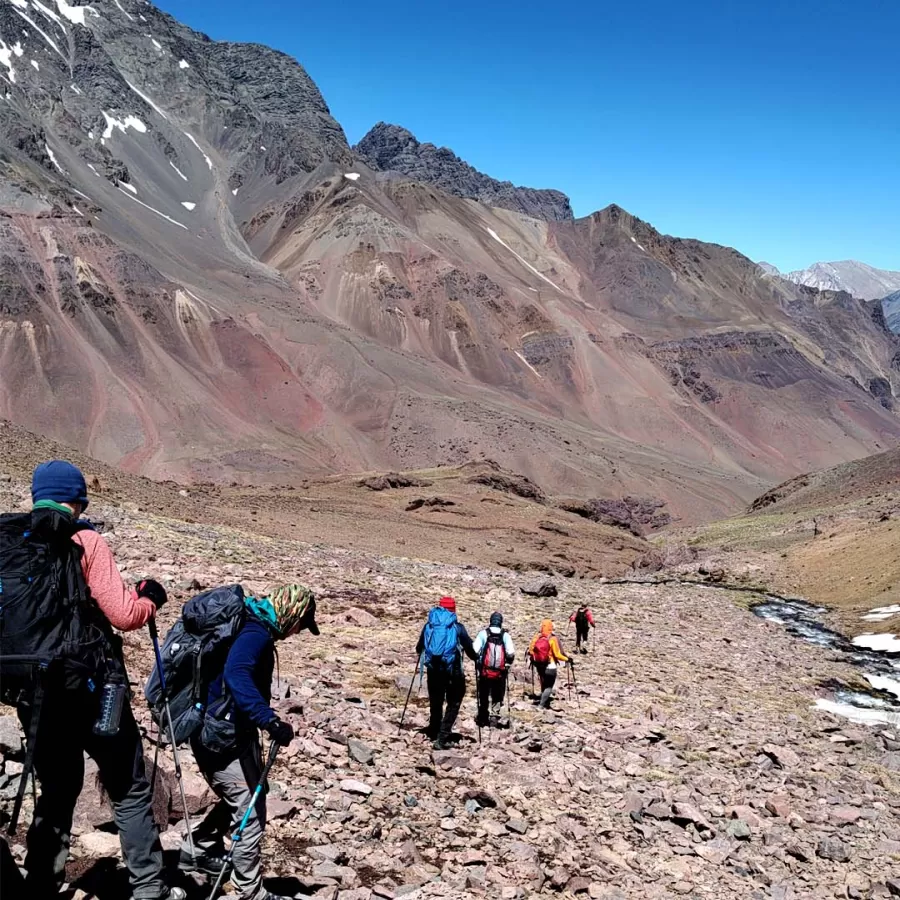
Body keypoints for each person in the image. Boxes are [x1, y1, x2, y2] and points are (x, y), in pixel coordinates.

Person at [6, 461, 183, 900]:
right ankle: (148, 888)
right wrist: (150, 599)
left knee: (58, 789)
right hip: (92, 691)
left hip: (34, 692)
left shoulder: (12, 542)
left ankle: (42, 885)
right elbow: (124, 616)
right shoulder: (85, 540)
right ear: (78, 497)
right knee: (128, 785)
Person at [180, 584, 320, 900]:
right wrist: (268, 719)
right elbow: (237, 674)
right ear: (292, 614)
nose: (297, 632)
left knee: (253, 793)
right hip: (221, 736)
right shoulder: (255, 634)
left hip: (222, 730)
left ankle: (197, 846)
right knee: (251, 812)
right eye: (301, 624)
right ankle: (250, 892)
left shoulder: (252, 623)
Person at [415, 596, 478, 750]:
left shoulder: (429, 626)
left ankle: (434, 729)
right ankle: (442, 737)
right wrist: (478, 659)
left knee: (436, 700)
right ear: (453, 610)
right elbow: (471, 651)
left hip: (433, 670)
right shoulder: (457, 628)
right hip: (453, 672)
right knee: (454, 701)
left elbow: (419, 648)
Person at [473, 612, 515, 728]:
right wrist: (506, 664)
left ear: (491, 620)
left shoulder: (483, 633)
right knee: (497, 694)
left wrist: (478, 663)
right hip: (499, 673)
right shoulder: (505, 636)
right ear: (500, 622)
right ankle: (494, 718)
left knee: (484, 693)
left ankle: (482, 716)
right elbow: (511, 653)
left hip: (484, 671)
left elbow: (475, 651)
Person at [526, 619, 570, 709]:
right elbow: (557, 655)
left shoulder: (536, 637)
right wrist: (567, 659)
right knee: (549, 686)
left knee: (544, 684)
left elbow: (531, 651)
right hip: (550, 666)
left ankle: (543, 700)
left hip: (539, 665)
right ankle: (541, 705)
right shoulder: (552, 639)